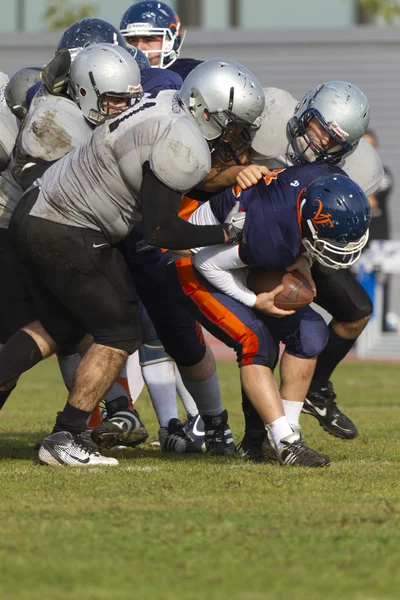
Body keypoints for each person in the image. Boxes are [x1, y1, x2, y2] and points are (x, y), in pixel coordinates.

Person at [0, 58, 264, 466]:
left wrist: (228, 177)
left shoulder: (163, 103)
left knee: (60, 326)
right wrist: (228, 234)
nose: (239, 136)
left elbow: (179, 174)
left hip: (35, 213)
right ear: (207, 110)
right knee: (121, 332)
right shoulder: (186, 141)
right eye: (234, 125)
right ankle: (67, 435)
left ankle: (66, 432)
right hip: (68, 226)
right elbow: (162, 233)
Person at [167, 169, 370, 466]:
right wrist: (255, 301)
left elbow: (301, 232)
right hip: (191, 261)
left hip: (240, 254)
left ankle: (287, 434)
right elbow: (207, 262)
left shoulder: (329, 179)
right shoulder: (272, 231)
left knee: (311, 333)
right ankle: (284, 442)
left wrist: (303, 259)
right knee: (256, 340)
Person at [239, 81, 381, 445]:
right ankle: (256, 437)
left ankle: (316, 388)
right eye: (318, 128)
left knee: (358, 310)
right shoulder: (267, 114)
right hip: (249, 236)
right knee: (269, 331)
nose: (319, 143)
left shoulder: (358, 166)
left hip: (302, 241)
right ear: (305, 109)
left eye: (333, 142)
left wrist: (302, 260)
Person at [120, 1, 203, 80]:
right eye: (133, 40)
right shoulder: (117, 74)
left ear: (170, 41)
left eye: (149, 39)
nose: (139, 48)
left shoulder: (192, 74)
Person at [362, 129, 394, 331]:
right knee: (358, 282)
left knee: (382, 280)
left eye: (371, 145)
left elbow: (374, 198)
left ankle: (380, 322)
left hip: (379, 238)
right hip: (357, 239)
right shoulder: (346, 171)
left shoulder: (385, 172)